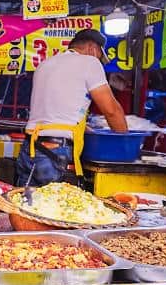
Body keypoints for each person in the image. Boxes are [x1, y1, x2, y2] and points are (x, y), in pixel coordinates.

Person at [16, 29, 128, 187]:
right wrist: (125, 143)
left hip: (29, 149)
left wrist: (86, 127)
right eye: (100, 56)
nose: (100, 61)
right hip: (54, 154)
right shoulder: (90, 62)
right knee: (55, 209)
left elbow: (57, 111)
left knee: (25, 205)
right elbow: (111, 111)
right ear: (92, 48)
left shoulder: (46, 64)